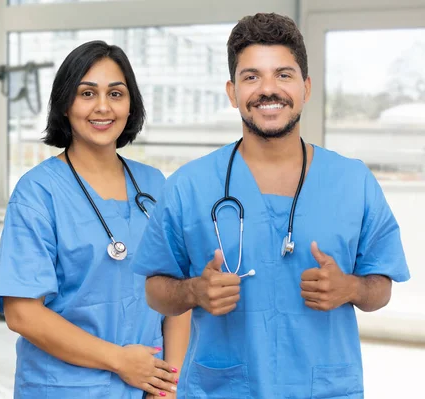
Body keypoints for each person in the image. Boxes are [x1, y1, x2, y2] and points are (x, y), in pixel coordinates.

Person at [131, 13, 410, 399]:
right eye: (251, 77)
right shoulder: (188, 186)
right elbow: (155, 290)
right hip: (223, 389)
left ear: (306, 87)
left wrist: (350, 288)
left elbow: (381, 288)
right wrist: (194, 291)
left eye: (283, 74)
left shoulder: (353, 181)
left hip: (324, 389)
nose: (268, 89)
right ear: (232, 92)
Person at [0, 40, 190, 399]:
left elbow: (176, 297)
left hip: (148, 388)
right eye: (87, 93)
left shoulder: (154, 185)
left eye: (116, 93)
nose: (103, 107)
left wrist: (167, 388)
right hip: (63, 388)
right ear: (65, 105)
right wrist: (120, 361)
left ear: (131, 106)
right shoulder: (38, 193)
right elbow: (21, 313)